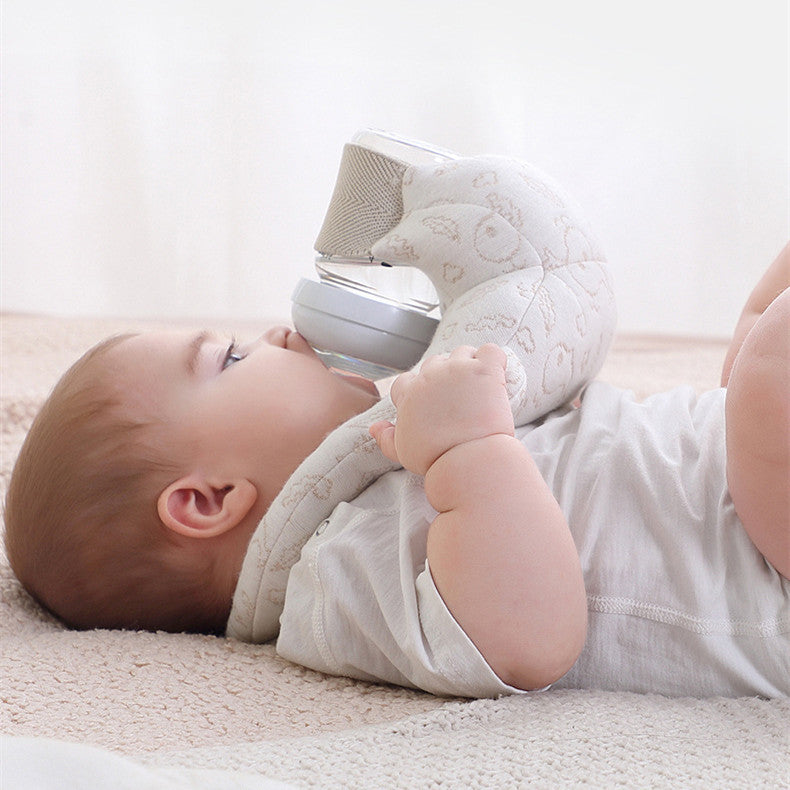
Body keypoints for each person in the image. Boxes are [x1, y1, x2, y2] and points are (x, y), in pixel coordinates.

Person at [4, 149, 788, 699]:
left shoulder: (376, 455)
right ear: (208, 501)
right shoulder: (329, 577)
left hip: (724, 468)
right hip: (756, 573)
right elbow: (529, 640)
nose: (278, 335)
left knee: (756, 333)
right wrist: (468, 450)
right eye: (232, 361)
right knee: (770, 370)